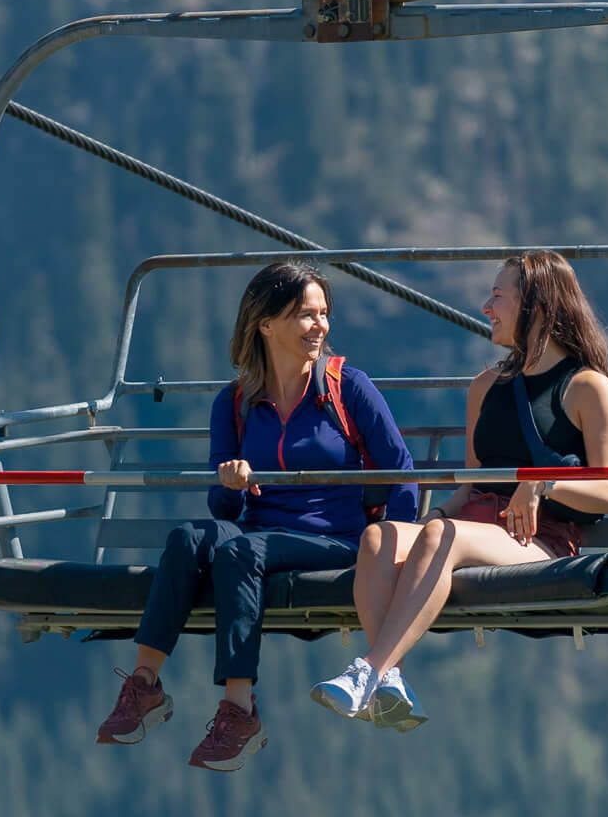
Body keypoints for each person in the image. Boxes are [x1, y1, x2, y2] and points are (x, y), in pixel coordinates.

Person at [96, 261, 418, 771]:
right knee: (186, 538)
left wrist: (398, 555)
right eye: (306, 315)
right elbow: (223, 510)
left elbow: (399, 471)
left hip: (335, 538)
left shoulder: (345, 388)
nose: (320, 327)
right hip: (260, 532)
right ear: (265, 324)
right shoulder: (237, 402)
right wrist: (230, 483)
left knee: (240, 549)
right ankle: (145, 685)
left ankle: (239, 708)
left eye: (323, 314)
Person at [318, 251, 608, 728]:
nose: (486, 306)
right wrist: (435, 515)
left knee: (443, 537)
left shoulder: (586, 387)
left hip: (540, 540)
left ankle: (369, 671)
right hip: (475, 526)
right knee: (378, 538)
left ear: (538, 306)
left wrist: (539, 483)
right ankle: (390, 683)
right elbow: (474, 478)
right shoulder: (486, 386)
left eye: (498, 296)